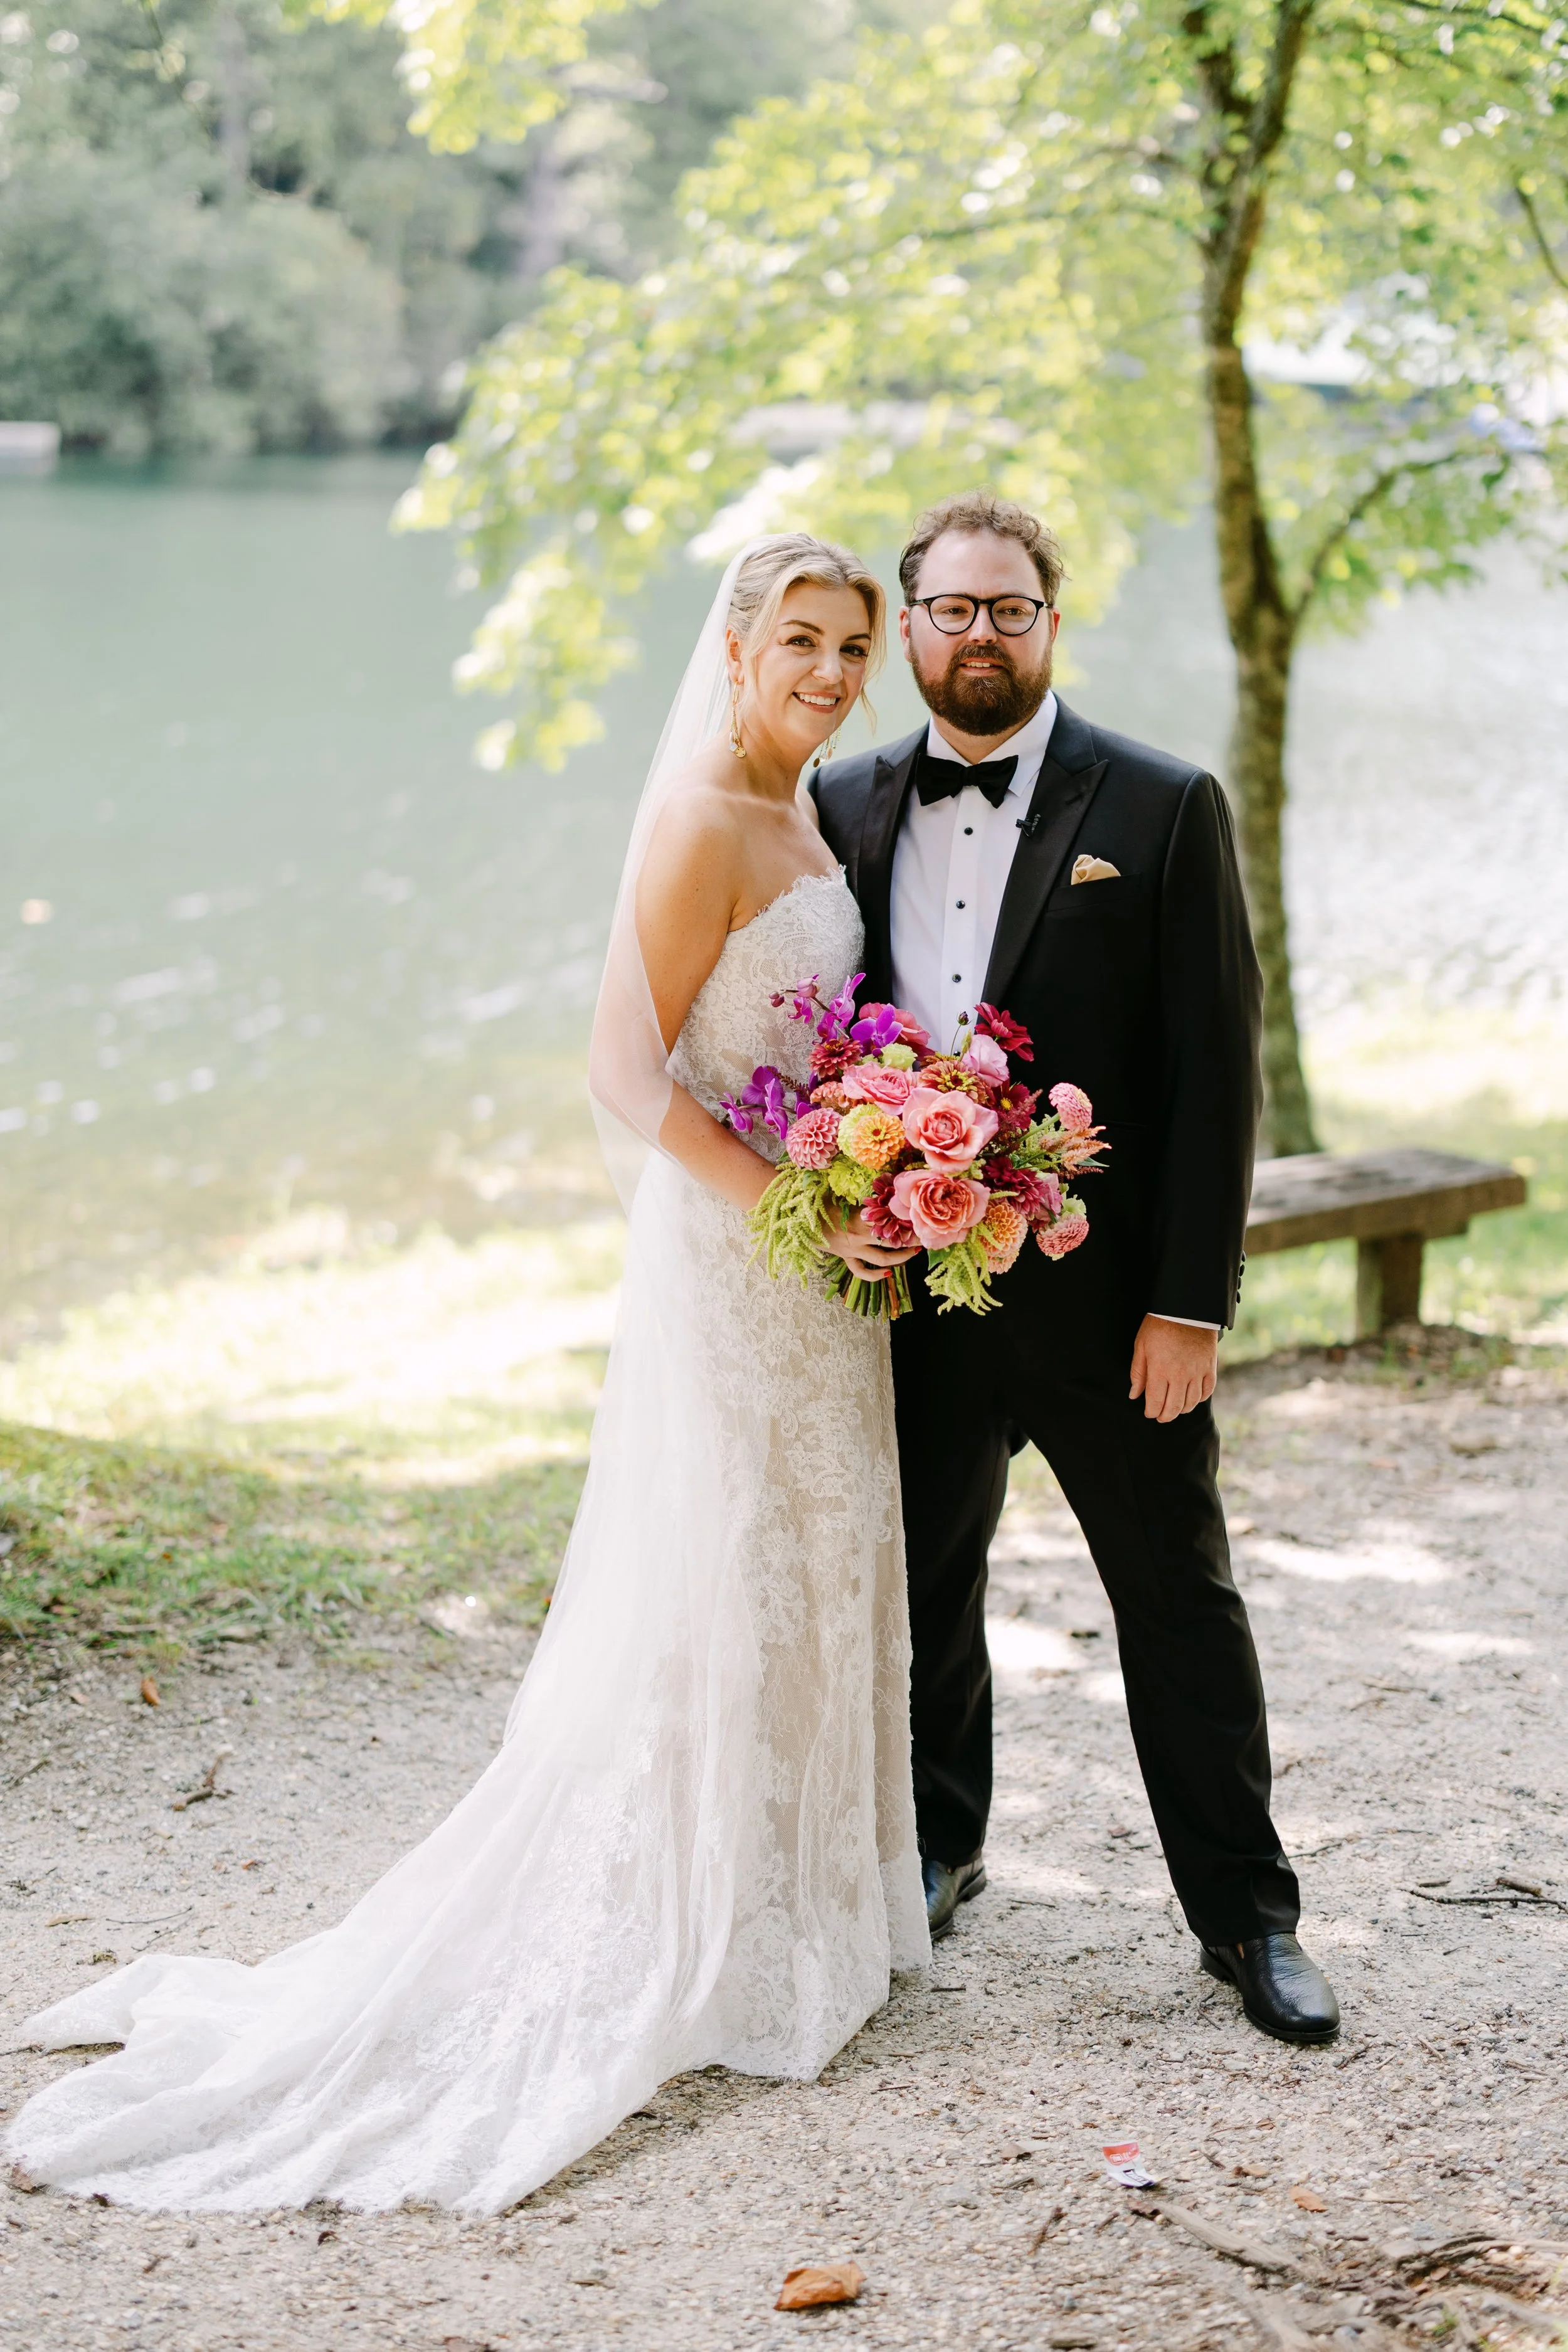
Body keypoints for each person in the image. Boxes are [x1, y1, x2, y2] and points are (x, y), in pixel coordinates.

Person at [4, 535, 929, 2214]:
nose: (827, 666)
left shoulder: (808, 812)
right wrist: (802, 1197)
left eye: (850, 642)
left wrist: (887, 1165)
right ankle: (683, 1923)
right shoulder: (698, 821)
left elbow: (817, 1046)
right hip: (737, 1260)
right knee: (718, 1572)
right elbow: (623, 1070)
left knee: (811, 1559)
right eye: (797, 635)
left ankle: (800, 1911)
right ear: (731, 646)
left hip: (824, 1270)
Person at [811, 490, 1340, 2046]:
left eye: (1009, 610)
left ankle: (1246, 1919)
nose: (979, 635)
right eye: (950, 611)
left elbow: (1211, 1072)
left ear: (1050, 625)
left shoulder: (1162, 804)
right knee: (921, 1589)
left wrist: (1191, 1300)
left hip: (1115, 1315)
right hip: (908, 1298)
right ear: (907, 630)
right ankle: (936, 1846)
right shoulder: (839, 805)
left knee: (1175, 1598)